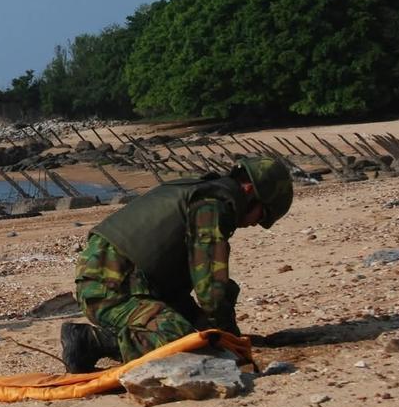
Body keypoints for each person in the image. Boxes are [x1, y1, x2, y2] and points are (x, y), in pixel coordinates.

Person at [60, 157, 294, 373]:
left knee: (201, 333)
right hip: (109, 288)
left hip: (132, 281)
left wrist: (217, 331)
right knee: (181, 340)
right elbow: (211, 287)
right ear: (249, 191)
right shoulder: (211, 205)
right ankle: (91, 341)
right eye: (262, 215)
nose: (255, 224)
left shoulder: (199, 192)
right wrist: (229, 339)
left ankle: (130, 332)